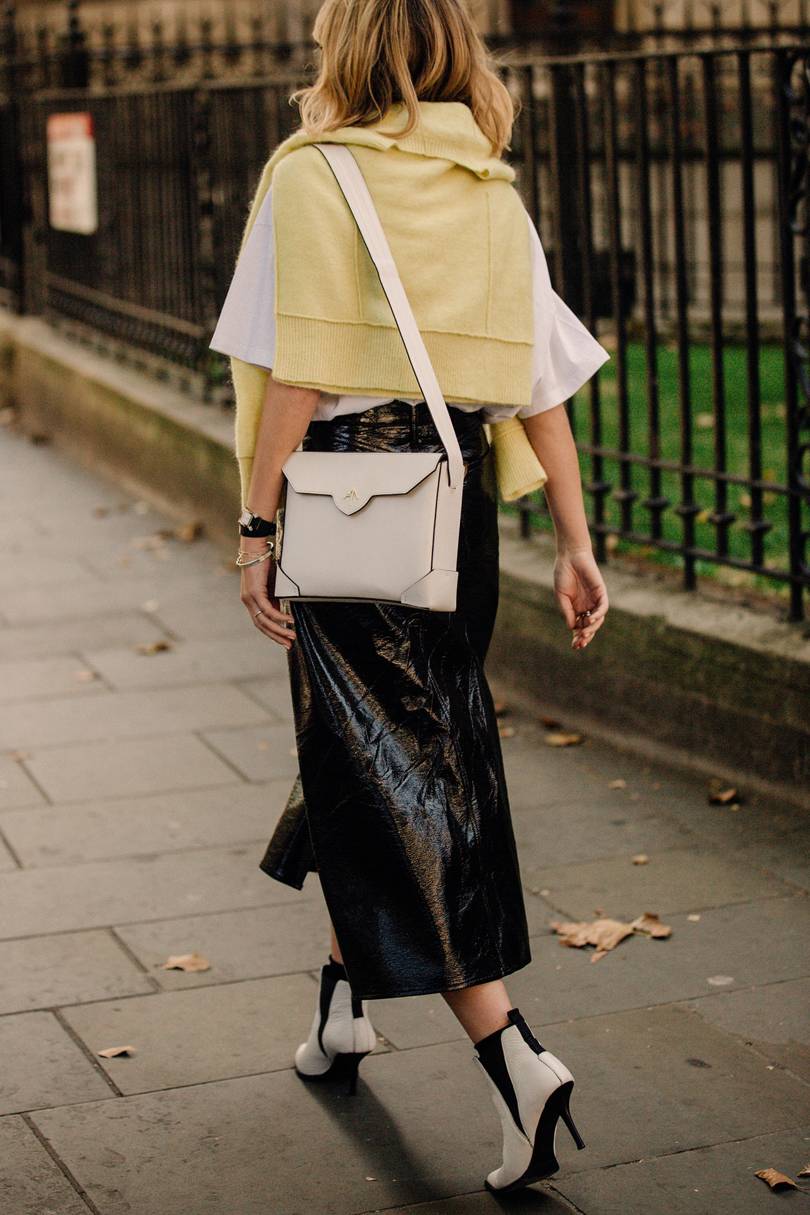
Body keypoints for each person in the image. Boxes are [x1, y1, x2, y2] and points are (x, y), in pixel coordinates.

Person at [209, 0, 610, 1193]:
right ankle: (342, 1006)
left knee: (395, 765)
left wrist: (256, 526)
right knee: (383, 744)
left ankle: (513, 1056)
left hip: (352, 500)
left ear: (346, 46)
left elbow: (300, 371)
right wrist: (576, 541)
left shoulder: (313, 174)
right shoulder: (487, 186)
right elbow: (540, 383)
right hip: (456, 503)